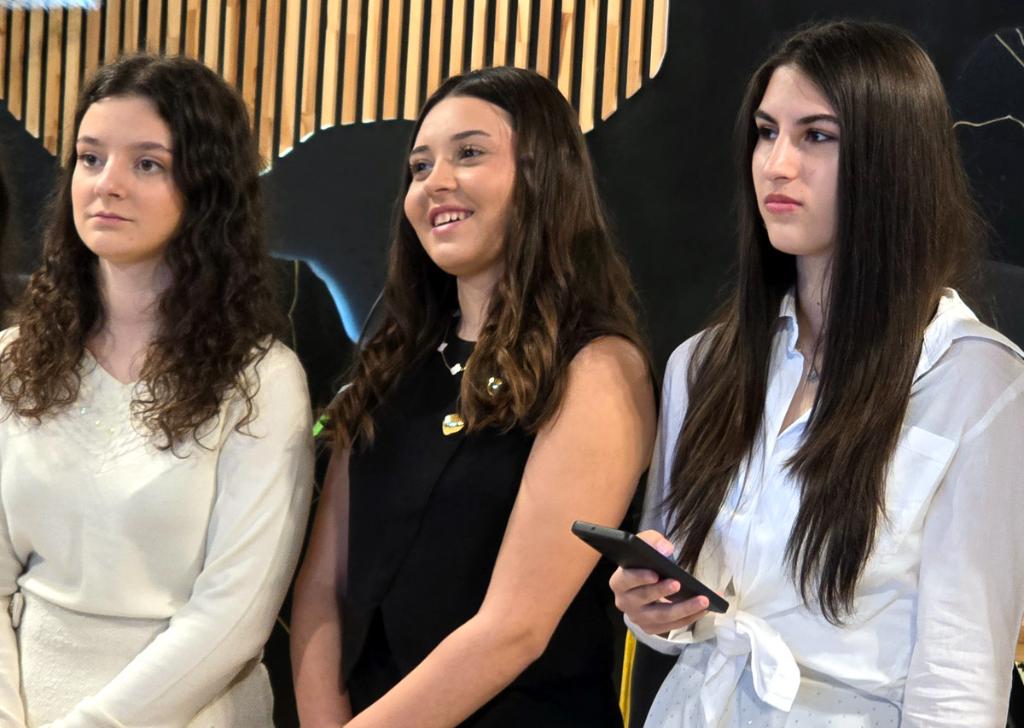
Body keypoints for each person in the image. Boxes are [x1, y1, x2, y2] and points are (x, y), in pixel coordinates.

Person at [610, 20, 1024, 728]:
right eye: (767, 132)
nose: (777, 164)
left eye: (817, 136)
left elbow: (959, 686)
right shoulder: (703, 365)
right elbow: (673, 621)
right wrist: (651, 606)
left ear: (893, 157)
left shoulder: (975, 382)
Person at [290, 66, 656, 727]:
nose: (435, 182)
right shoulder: (390, 363)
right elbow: (322, 591)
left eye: (469, 153)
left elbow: (514, 629)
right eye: (420, 165)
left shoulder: (597, 368)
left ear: (542, 174)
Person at [0, 54, 313, 727]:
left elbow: (234, 617)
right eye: (90, 158)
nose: (106, 184)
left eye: (146, 164)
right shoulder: (13, 361)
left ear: (205, 188)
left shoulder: (262, 381)